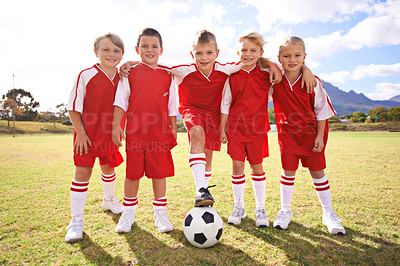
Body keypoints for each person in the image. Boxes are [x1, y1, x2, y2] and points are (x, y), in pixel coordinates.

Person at [270, 36, 346, 235]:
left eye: (297, 55)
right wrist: (271, 64)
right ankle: (285, 211)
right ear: (279, 58)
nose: (292, 59)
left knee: (318, 173)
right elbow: (257, 61)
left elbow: (322, 111)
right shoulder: (274, 79)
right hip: (287, 133)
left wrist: (320, 137)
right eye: (286, 56)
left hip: (312, 134)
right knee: (288, 172)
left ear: (305, 57)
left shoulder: (313, 81)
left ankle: (328, 213)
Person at [112, 28, 178, 234]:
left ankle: (161, 214)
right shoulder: (130, 73)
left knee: (159, 174)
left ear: (161, 49)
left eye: (154, 46)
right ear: (137, 49)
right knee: (132, 174)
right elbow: (121, 101)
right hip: (135, 131)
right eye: (145, 46)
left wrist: (173, 130)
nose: (150, 50)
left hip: (159, 133)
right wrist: (116, 126)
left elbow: (172, 106)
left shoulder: (168, 75)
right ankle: (128, 213)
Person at [65, 33, 125, 243]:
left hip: (110, 134)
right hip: (87, 135)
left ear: (122, 54)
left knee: (109, 168)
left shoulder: (123, 77)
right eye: (106, 49)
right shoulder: (86, 74)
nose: (111, 54)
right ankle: (76, 220)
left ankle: (109, 200)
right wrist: (80, 133)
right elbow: (73, 107)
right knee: (83, 172)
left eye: (116, 50)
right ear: (96, 52)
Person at [220, 32, 272, 227]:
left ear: (260, 53)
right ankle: (238, 206)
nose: (247, 54)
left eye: (253, 50)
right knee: (237, 167)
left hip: (258, 130)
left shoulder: (268, 76)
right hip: (235, 129)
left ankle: (260, 208)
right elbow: (225, 104)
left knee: (257, 167)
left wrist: (271, 65)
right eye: (244, 50)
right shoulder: (232, 77)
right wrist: (222, 129)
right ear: (238, 52)